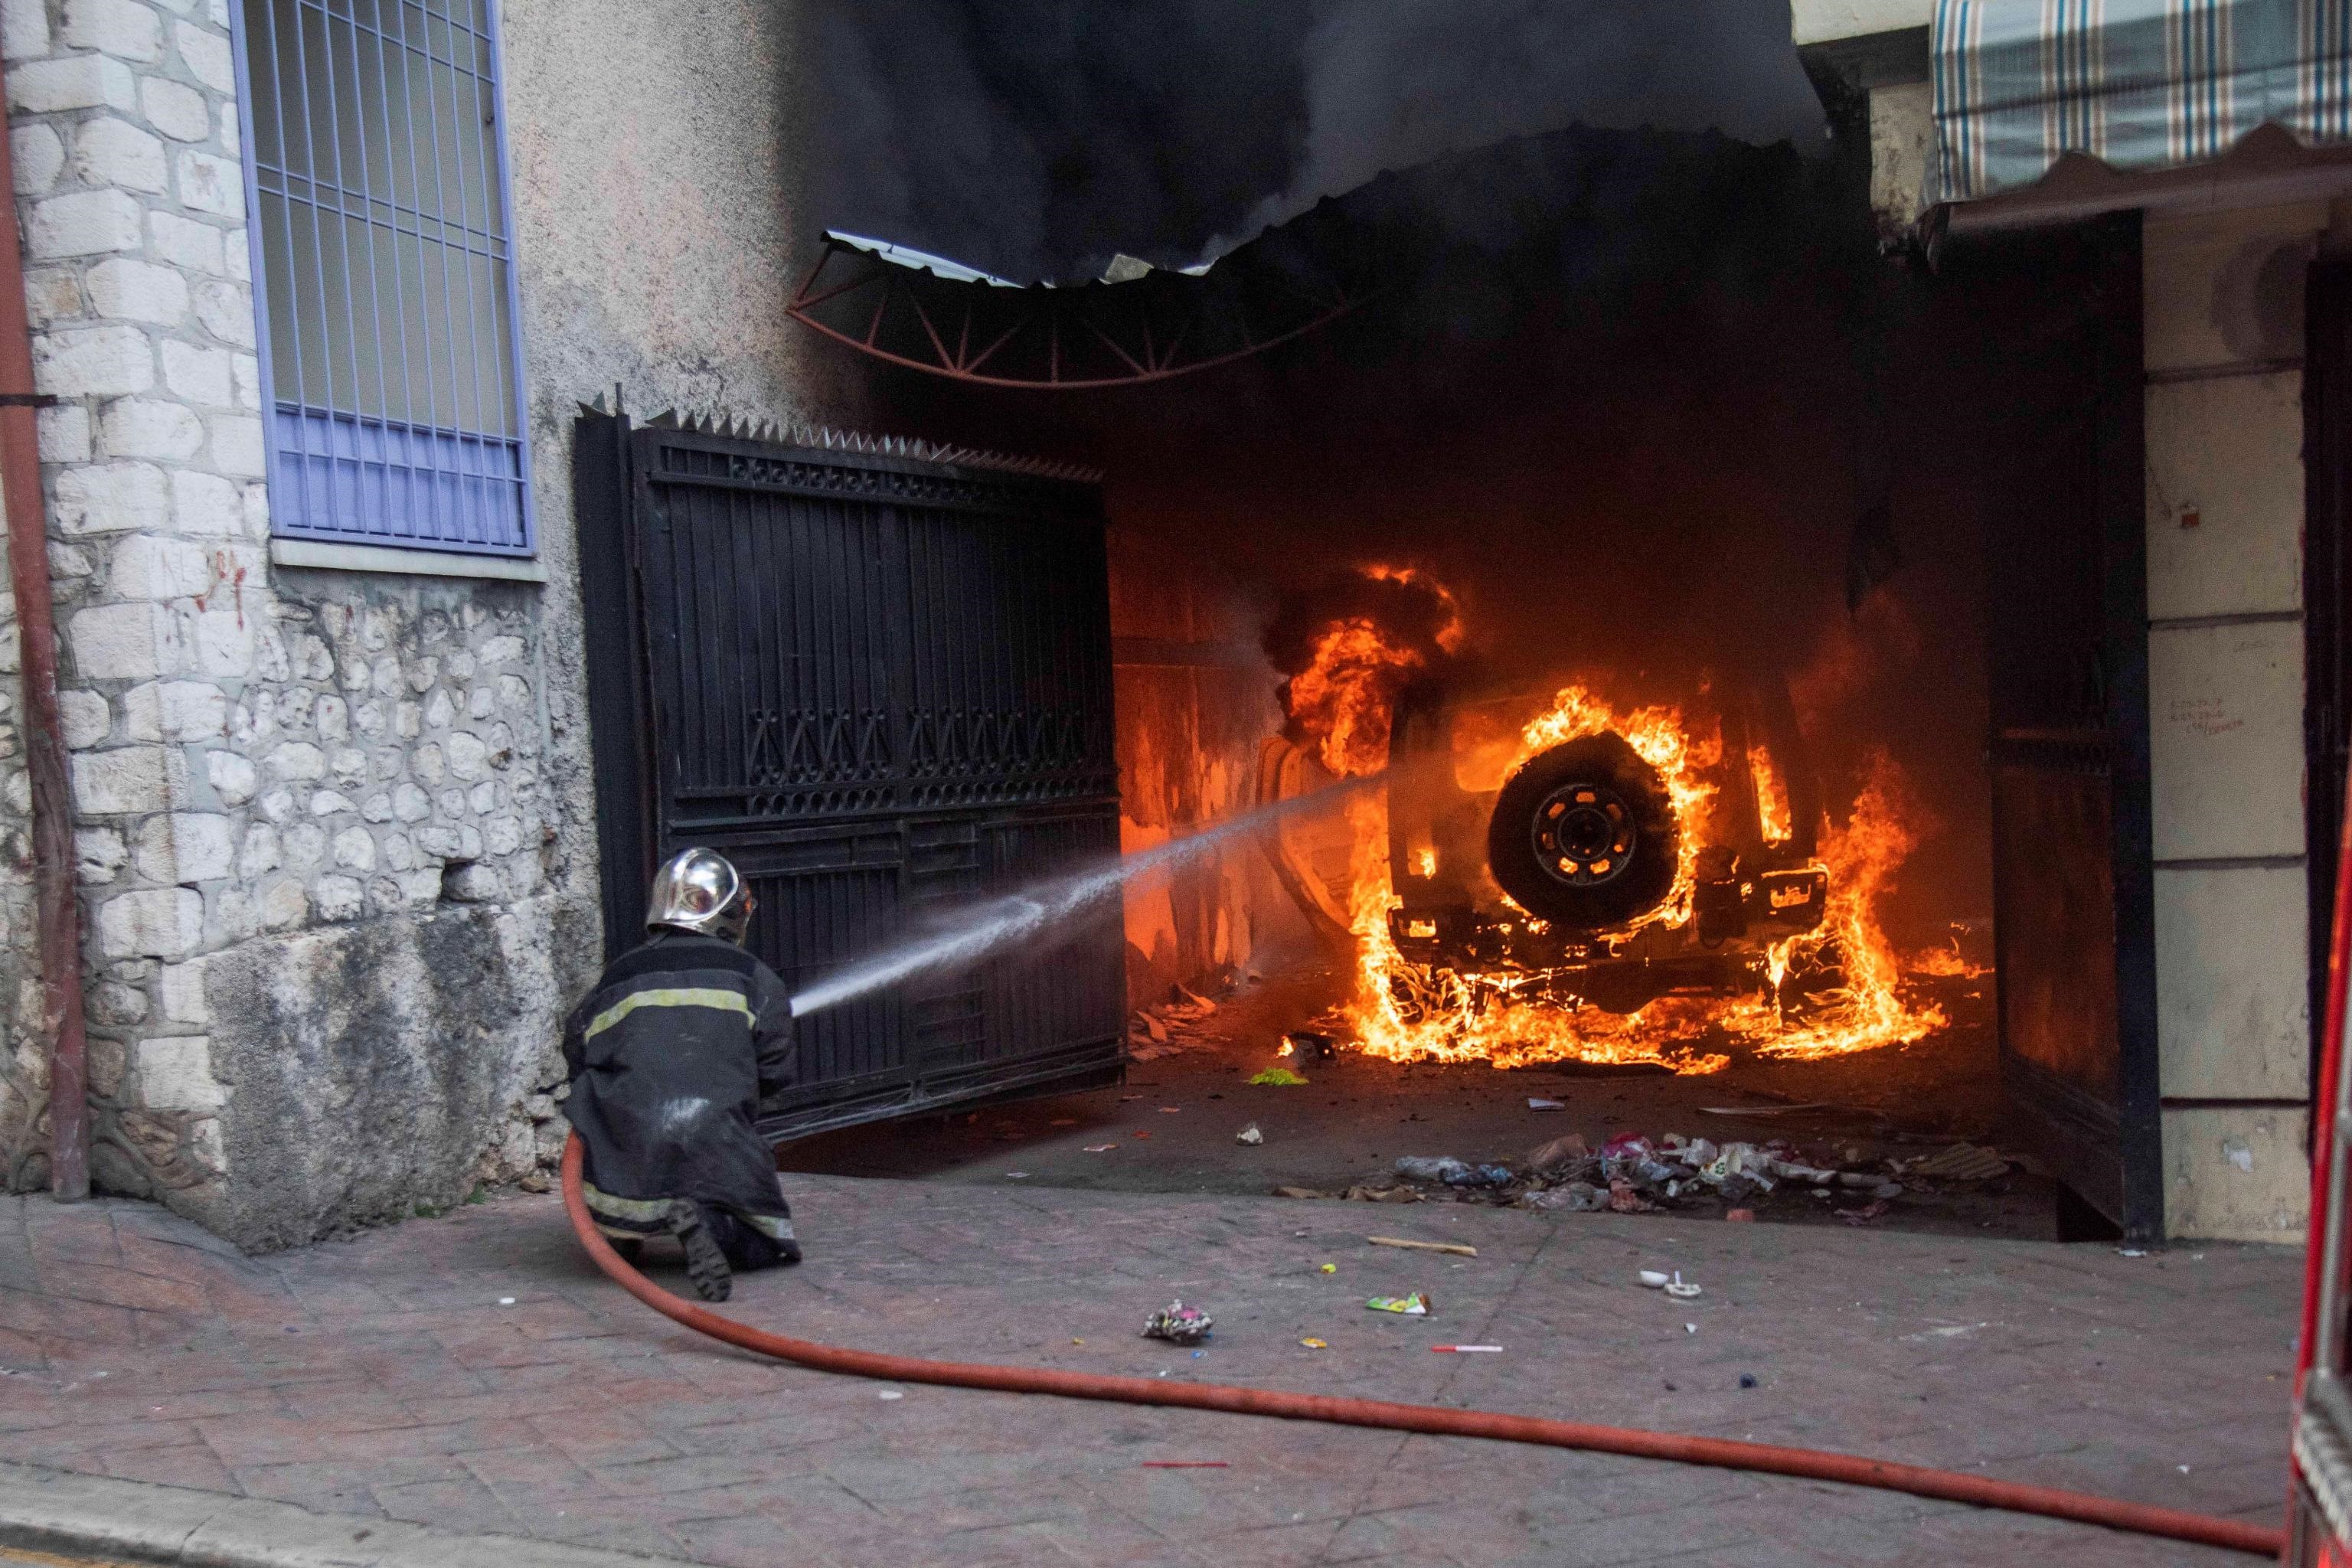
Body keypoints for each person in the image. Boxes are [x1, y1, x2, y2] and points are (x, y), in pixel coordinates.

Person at [562, 848, 800, 1301]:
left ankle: (621, 1232)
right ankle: (713, 1223)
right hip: (717, 1138)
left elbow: (578, 1048)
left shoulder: (619, 975)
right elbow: (776, 1071)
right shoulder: (754, 977)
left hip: (628, 1143)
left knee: (600, 1122)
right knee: (767, 1244)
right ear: (729, 913)